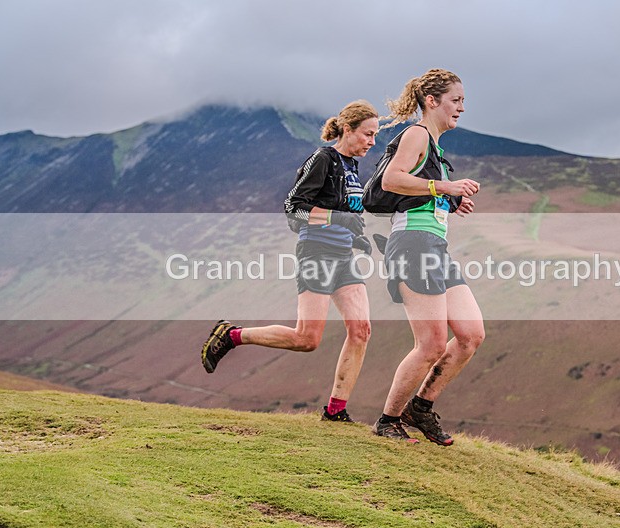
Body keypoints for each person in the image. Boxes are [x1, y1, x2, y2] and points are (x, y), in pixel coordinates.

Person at [201, 100, 379, 423]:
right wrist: (339, 220)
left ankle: (335, 412)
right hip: (316, 254)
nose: (372, 142)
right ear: (348, 129)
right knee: (307, 339)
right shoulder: (323, 159)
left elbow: (343, 214)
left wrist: (355, 235)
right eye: (367, 134)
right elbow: (293, 208)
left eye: (375, 136)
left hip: (343, 257)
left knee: (362, 329)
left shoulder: (353, 166)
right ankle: (232, 335)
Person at [372, 69, 485, 444]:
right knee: (432, 344)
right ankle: (388, 420)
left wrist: (450, 201)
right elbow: (392, 179)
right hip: (412, 245)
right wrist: (444, 185)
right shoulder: (417, 134)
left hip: (435, 245)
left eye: (463, 101)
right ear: (432, 101)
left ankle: (420, 408)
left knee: (470, 335)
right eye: (456, 100)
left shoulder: (435, 147)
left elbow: (417, 192)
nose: (462, 108)